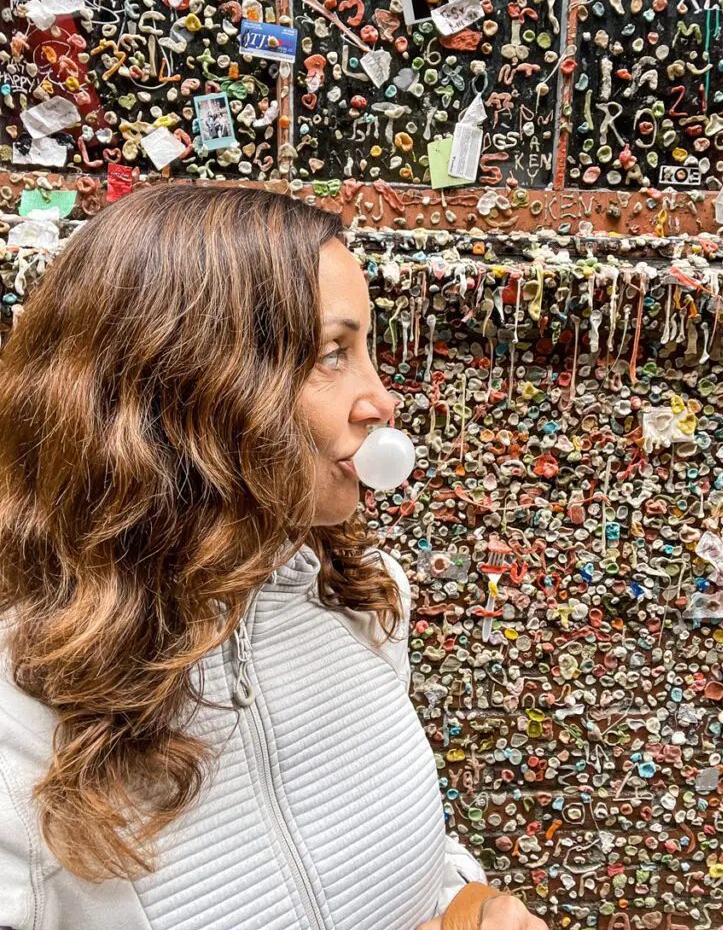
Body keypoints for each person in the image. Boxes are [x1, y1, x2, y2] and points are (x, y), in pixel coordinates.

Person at [0, 185, 548, 930]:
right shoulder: (19, 703)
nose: (382, 401)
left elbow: (411, 860)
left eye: (368, 351)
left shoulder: (364, 597)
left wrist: (466, 901)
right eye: (333, 354)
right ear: (189, 380)